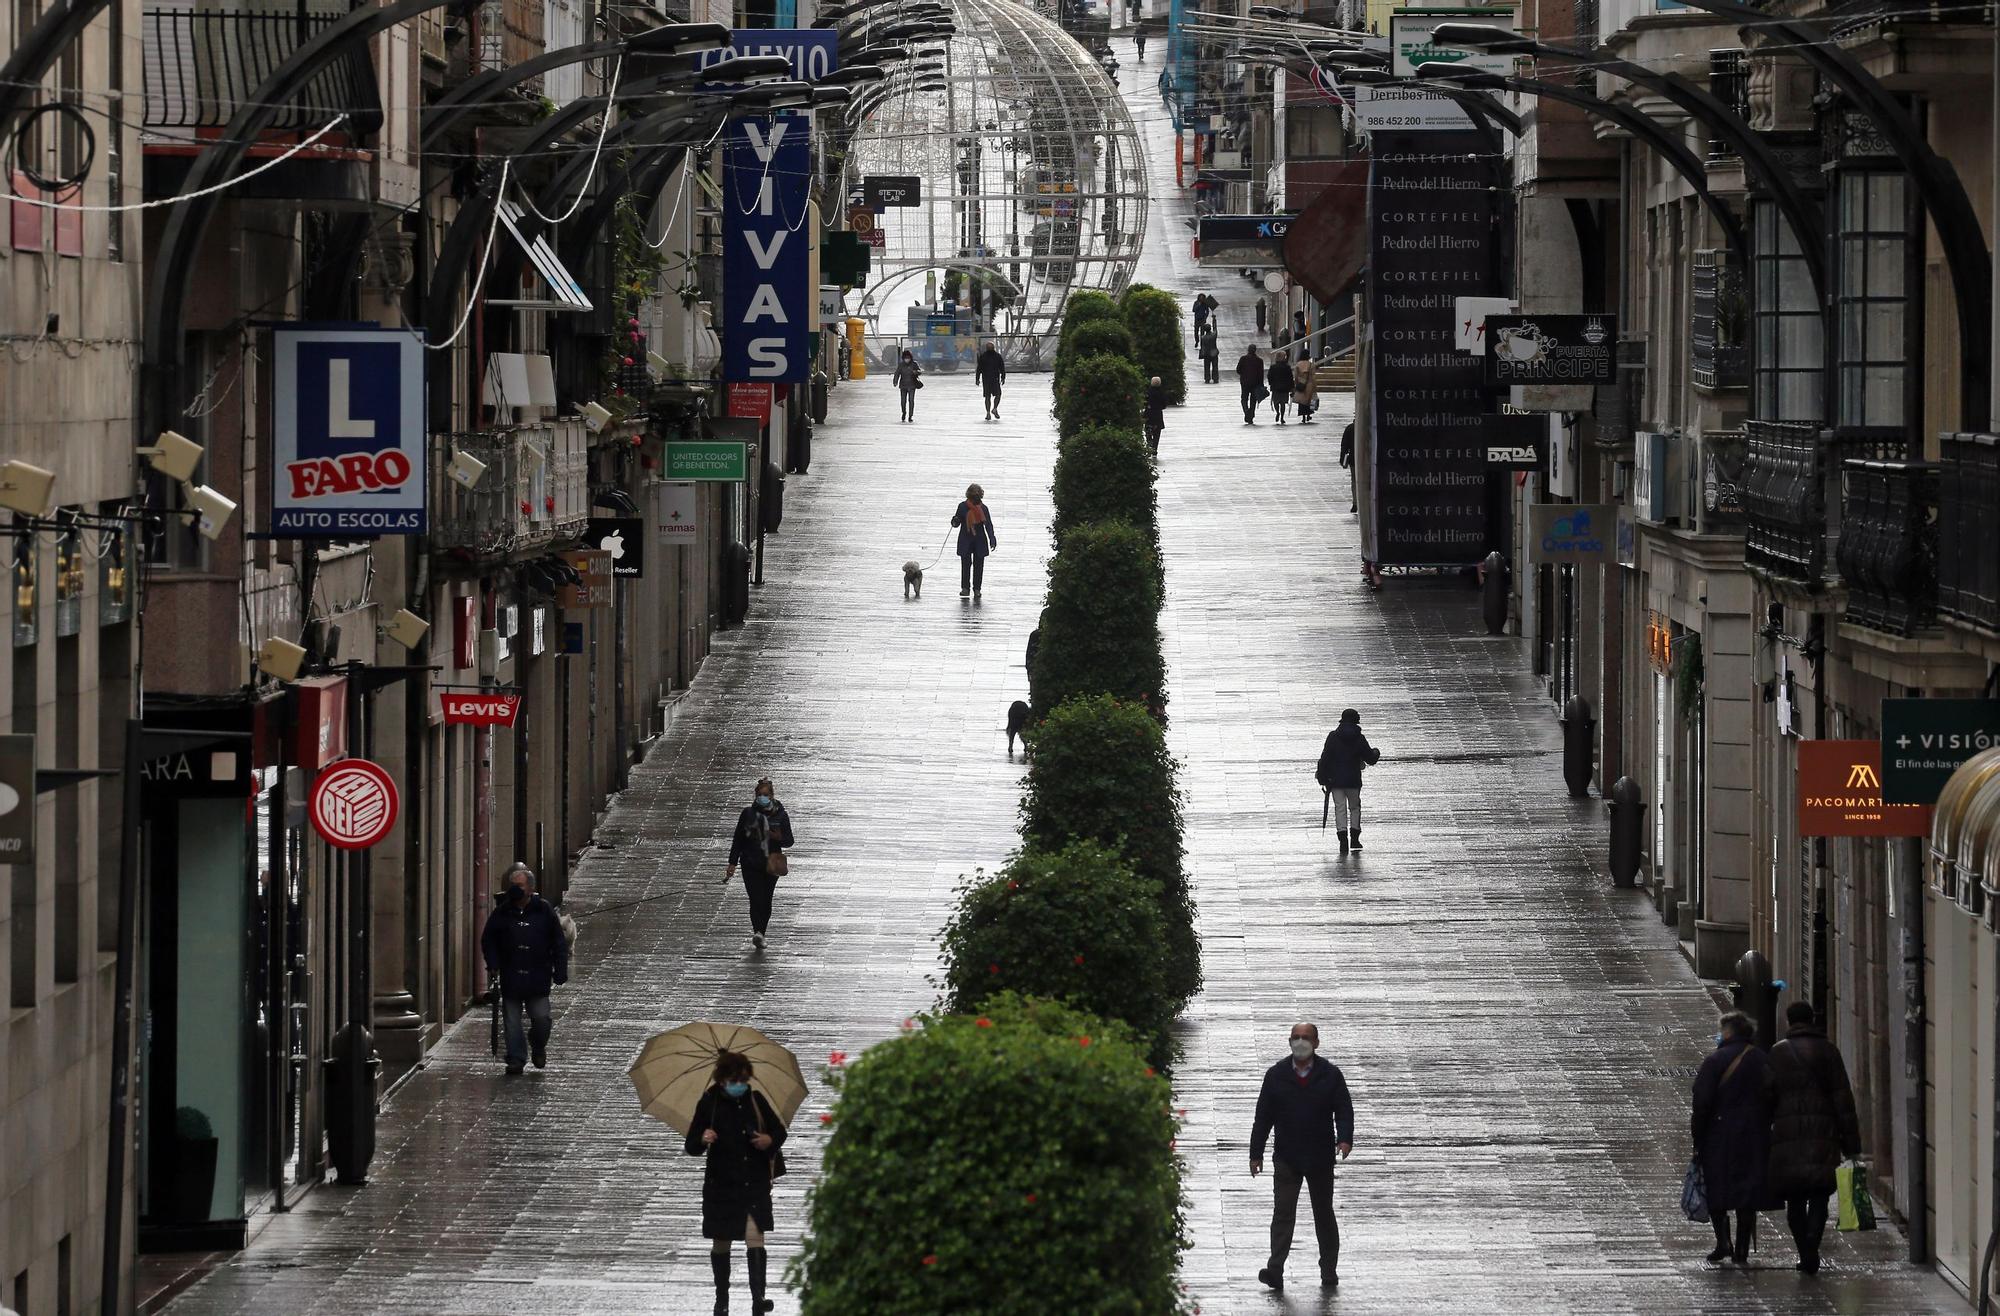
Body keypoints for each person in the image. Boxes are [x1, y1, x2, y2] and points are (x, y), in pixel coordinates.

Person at [1249, 1022, 1354, 1293]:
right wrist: (1255, 1153)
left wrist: (1344, 1139)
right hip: (1287, 1157)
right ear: (1289, 1041)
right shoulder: (1276, 1076)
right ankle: (1275, 1270)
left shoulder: (1330, 1075)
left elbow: (1343, 1109)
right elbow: (1263, 1116)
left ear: (1316, 1042)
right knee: (1283, 1213)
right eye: (1295, 1037)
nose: (1300, 1042)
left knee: (1323, 1214)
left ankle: (1329, 1269)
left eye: (1306, 1038)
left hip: (1319, 1157)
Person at [686, 1050, 789, 1315]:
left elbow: (779, 1130)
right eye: (734, 1080)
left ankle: (758, 1298)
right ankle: (722, 1298)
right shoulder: (710, 1102)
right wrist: (702, 1138)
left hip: (753, 1182)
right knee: (722, 1242)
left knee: (755, 1237)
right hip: (721, 1185)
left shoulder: (755, 1099)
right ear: (722, 1080)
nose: (739, 1085)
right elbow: (691, 1144)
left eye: (743, 1079)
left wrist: (768, 1141)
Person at [1767, 1002, 1862, 1274]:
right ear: (1812, 1019)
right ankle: (1812, 1247)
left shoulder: (1777, 1053)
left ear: (1788, 1021)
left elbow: (1767, 1096)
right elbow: (1843, 1098)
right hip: (1824, 1134)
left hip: (1788, 1136)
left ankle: (1805, 1251)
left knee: (1795, 1198)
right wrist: (1852, 1144)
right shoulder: (1829, 1051)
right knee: (1820, 1195)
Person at [1691, 1010, 1774, 1266]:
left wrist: (1698, 1137)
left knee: (1717, 1187)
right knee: (1747, 1191)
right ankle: (1741, 1250)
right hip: (1755, 1134)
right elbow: (1773, 1095)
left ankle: (1722, 1242)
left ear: (1728, 1032)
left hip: (1719, 1134)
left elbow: (1701, 1102)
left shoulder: (1715, 1061)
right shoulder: (1761, 1059)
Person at [480, 864, 569, 1074]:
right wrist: (493, 964)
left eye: (519, 885)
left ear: (530, 888)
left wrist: (560, 969)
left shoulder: (544, 910)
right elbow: (489, 939)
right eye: (512, 885)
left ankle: (538, 1045)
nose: (515, 889)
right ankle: (516, 1058)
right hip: (511, 975)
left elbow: (558, 942)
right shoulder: (502, 912)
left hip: (537, 976)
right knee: (511, 1021)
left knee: (541, 1019)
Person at [726, 778, 795, 951]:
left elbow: (789, 841)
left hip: (771, 863)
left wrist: (776, 837)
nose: (762, 797)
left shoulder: (780, 815)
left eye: (765, 795)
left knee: (766, 899)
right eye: (759, 795)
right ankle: (757, 931)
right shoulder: (748, 813)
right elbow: (738, 839)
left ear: (772, 796)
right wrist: (732, 862)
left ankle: (761, 933)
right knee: (755, 898)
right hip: (750, 863)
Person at [1314, 708, 1380, 851]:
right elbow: (1370, 758)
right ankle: (1355, 839)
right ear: (1356, 721)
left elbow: (1324, 759)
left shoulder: (1332, 737)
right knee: (1355, 807)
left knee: (1340, 808)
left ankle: (1343, 840)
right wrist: (1376, 752)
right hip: (1353, 780)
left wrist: (1322, 777)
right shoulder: (1359, 738)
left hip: (1335, 781)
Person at [951, 483, 997, 598]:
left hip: (979, 540)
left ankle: (977, 589)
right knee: (965, 565)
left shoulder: (984, 508)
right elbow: (956, 523)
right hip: (966, 540)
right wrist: (955, 520)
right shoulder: (962, 507)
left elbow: (988, 525)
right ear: (969, 496)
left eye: (977, 496)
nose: (975, 498)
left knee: (979, 565)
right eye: (973, 496)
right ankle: (965, 588)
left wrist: (992, 538)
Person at [974, 340, 1007, 419]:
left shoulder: (984, 356)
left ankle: (990, 411)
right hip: (992, 379)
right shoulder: (996, 356)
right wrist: (1003, 377)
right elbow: (1002, 367)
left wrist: (977, 379)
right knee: (995, 395)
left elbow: (979, 369)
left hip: (988, 379)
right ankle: (992, 410)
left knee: (989, 396)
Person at [1236, 344, 1265, 424]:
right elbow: (1261, 374)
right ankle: (1251, 415)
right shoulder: (1259, 360)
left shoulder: (1243, 359)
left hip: (1245, 382)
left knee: (1244, 398)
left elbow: (1238, 370)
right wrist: (1261, 384)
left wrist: (1244, 374)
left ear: (1248, 350)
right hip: (1255, 383)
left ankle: (1246, 412)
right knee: (1253, 400)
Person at [891, 348, 922, 422]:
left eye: (908, 358)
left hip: (912, 385)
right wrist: (895, 381)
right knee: (903, 401)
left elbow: (920, 371)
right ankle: (904, 413)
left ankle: (910, 415)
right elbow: (897, 373)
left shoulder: (914, 364)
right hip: (903, 385)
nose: (907, 360)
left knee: (911, 400)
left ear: (910, 358)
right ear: (903, 358)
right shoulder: (901, 365)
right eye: (905, 358)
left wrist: (916, 372)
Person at [1267, 350, 1294, 425]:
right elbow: (1290, 378)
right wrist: (1292, 387)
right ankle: (1282, 417)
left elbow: (1269, 376)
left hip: (1275, 387)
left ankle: (1277, 412)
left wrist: (1271, 383)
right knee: (1283, 403)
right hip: (1285, 388)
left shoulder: (1273, 367)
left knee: (1275, 402)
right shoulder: (1287, 367)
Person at [1143, 375, 1167, 454]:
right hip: (1158, 415)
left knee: (1148, 430)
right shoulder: (1161, 393)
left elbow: (1144, 402)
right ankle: (1155, 448)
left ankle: (1150, 444)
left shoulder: (1148, 392)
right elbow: (1164, 405)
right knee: (1157, 433)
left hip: (1148, 414)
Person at [1295, 354, 1318, 423]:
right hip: (1309, 384)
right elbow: (1313, 376)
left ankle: (1303, 416)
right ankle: (1308, 414)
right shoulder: (1311, 365)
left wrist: (1296, 384)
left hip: (1301, 383)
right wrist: (1315, 386)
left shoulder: (1298, 364)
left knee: (1302, 401)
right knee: (1309, 400)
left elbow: (1296, 376)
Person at [1339, 420, 1356, 513]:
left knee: (1354, 480)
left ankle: (1355, 503)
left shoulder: (1350, 428)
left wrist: (1342, 459)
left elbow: (1344, 445)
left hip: (1353, 458)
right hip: (1367, 458)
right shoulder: (1368, 427)